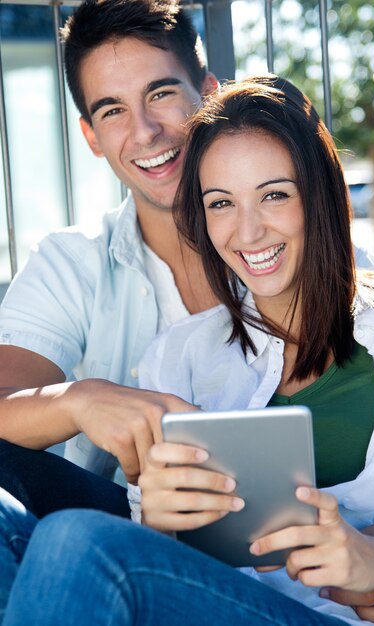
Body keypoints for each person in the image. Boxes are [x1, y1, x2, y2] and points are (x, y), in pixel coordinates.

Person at [2, 77, 374, 626]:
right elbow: (164, 566)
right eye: (221, 203)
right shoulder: (180, 356)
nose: (247, 231)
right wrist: (160, 525)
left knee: (76, 540)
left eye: (274, 194)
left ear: (319, 194)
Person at [0, 0, 219, 518]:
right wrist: (80, 399)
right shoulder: (69, 262)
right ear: (91, 137)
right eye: (113, 110)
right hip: (120, 529)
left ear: (211, 96)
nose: (144, 131)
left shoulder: (290, 241)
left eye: (161, 93)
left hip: (288, 536)